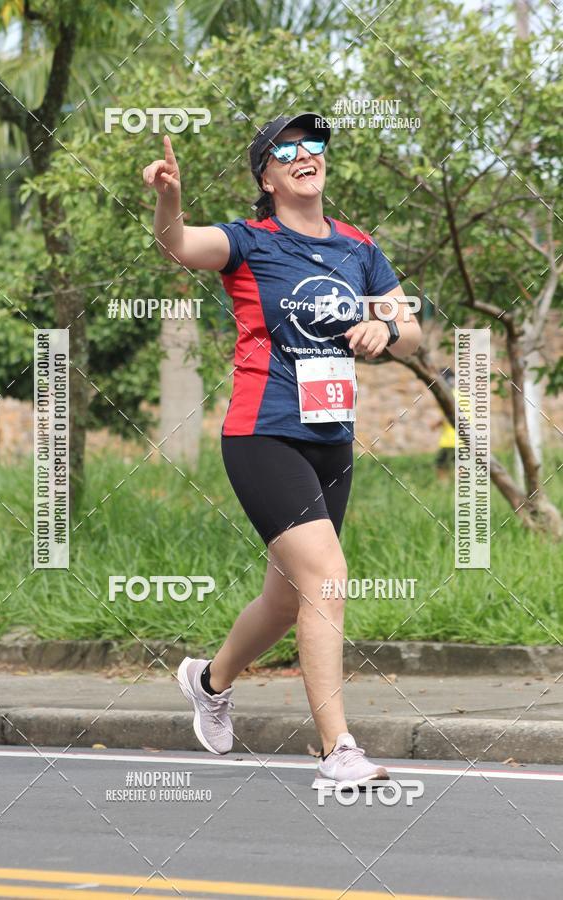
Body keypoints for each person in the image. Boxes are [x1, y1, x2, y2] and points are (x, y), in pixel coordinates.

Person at [143, 112, 422, 789]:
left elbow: (411, 329)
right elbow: (179, 245)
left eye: (314, 144)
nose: (306, 154)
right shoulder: (248, 242)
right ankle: (337, 752)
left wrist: (385, 334)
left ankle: (207, 681)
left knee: (290, 598)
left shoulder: (359, 247)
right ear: (266, 177)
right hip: (263, 433)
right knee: (327, 577)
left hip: (332, 439)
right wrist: (169, 199)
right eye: (286, 149)